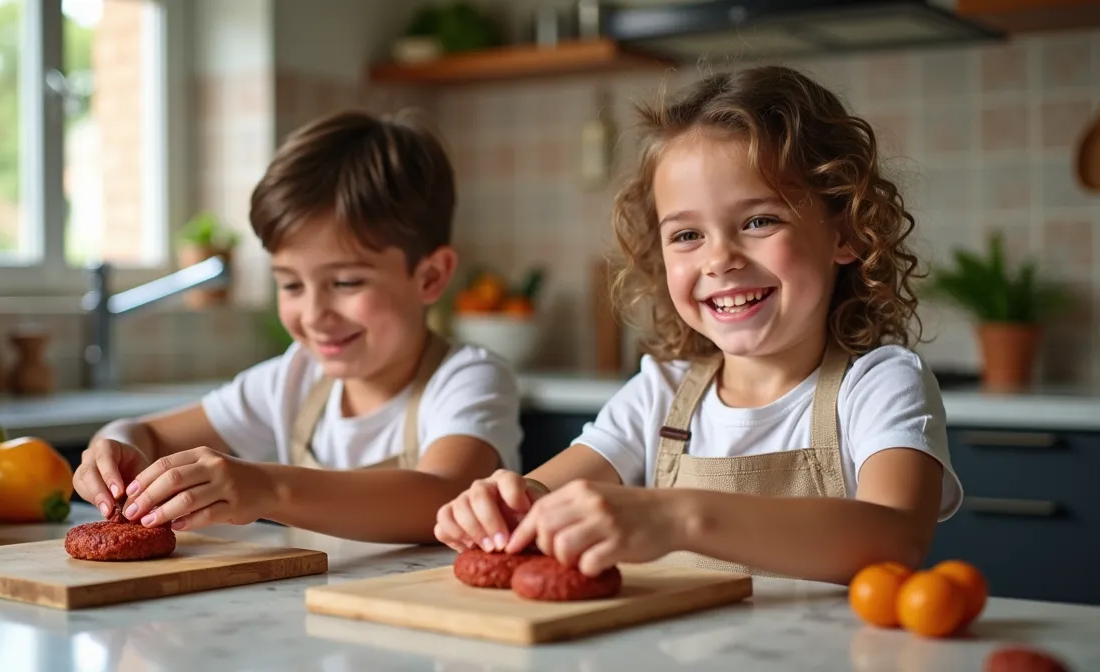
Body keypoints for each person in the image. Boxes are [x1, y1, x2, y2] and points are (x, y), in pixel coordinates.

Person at [435, 66, 964, 585]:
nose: (719, 259)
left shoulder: (880, 386)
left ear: (845, 233)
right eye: (687, 235)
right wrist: (499, 502)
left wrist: (677, 517)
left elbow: (895, 537)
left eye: (759, 221)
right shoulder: (658, 396)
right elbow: (538, 497)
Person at [72, 109, 523, 544]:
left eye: (345, 282)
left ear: (431, 277)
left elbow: (443, 495)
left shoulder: (468, 379)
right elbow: (144, 434)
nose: (312, 315)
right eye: (290, 285)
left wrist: (267, 488)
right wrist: (113, 447)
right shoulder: (293, 380)